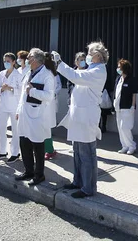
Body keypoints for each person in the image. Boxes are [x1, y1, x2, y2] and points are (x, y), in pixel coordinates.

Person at [53, 42, 108, 198]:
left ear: (98, 55)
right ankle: (78, 181)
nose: (88, 55)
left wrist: (59, 63)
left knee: (86, 153)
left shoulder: (98, 71)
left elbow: (76, 77)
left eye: (90, 52)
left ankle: (88, 188)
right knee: (77, 151)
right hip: (79, 117)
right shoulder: (91, 69)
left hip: (86, 118)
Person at [14, 48, 55, 185]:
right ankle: (28, 171)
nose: (27, 60)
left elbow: (49, 96)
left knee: (37, 145)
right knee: (24, 142)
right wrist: (18, 111)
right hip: (25, 114)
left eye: (30, 57)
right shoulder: (29, 73)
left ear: (36, 59)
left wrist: (33, 91)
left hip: (37, 115)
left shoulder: (47, 75)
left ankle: (39, 175)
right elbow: (22, 95)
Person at [0, 52, 22, 162]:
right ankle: (2, 151)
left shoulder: (18, 75)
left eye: (8, 61)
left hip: (14, 105)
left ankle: (15, 153)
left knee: (15, 130)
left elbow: (21, 90)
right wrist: (2, 89)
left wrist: (11, 88)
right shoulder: (1, 73)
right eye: (5, 61)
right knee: (0, 128)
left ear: (14, 62)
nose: (6, 63)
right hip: (3, 103)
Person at [113, 59, 138, 155]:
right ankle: (124, 146)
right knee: (120, 127)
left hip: (127, 107)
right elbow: (116, 92)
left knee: (125, 127)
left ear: (124, 68)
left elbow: (134, 94)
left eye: (120, 67)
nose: (118, 69)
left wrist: (133, 106)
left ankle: (131, 146)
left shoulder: (132, 79)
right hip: (118, 106)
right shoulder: (118, 79)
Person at [45, 70, 61, 160]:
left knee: (47, 128)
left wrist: (54, 93)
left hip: (50, 102)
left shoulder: (55, 75)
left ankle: (49, 150)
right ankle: (47, 149)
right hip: (41, 103)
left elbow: (58, 86)